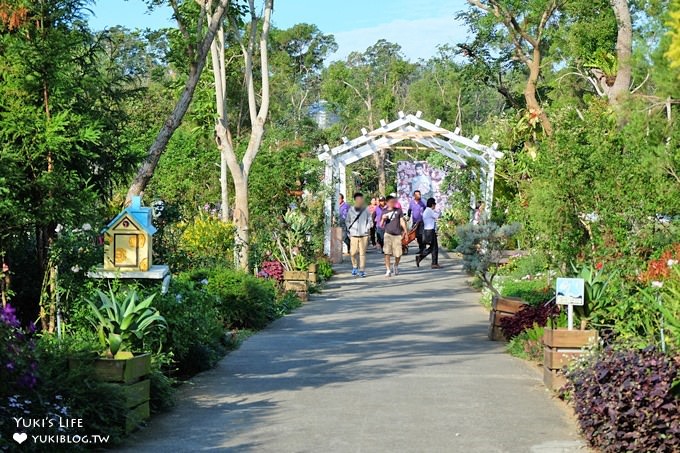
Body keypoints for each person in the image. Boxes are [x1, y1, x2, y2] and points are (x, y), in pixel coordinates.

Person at [345, 192, 372, 277]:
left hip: (364, 234)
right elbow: (347, 220)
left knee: (362, 253)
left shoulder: (366, 209)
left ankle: (362, 270)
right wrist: (350, 228)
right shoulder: (351, 210)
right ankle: (354, 266)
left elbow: (370, 220)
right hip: (354, 235)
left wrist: (367, 228)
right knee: (353, 252)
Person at [381, 195, 408, 277]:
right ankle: (388, 269)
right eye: (391, 202)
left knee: (398, 253)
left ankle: (395, 265)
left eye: (394, 202)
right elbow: (381, 224)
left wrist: (406, 232)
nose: (392, 203)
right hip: (388, 234)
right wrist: (383, 219)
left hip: (397, 234)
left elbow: (402, 221)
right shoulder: (384, 211)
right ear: (387, 202)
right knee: (387, 253)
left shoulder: (398, 211)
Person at [416, 198, 442, 269]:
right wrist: (439, 211)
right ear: (432, 204)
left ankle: (433, 263)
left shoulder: (426, 211)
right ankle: (431, 262)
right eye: (434, 204)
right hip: (430, 231)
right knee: (434, 248)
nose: (435, 206)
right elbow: (437, 216)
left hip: (427, 231)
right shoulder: (429, 211)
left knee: (433, 248)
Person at [408, 190, 426, 255]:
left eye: (419, 194)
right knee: (417, 236)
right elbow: (409, 210)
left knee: (422, 235)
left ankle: (423, 249)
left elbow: (426, 209)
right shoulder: (412, 203)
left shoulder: (423, 202)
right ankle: (420, 248)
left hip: (421, 221)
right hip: (415, 222)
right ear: (414, 196)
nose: (419, 196)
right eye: (417, 195)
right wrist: (408, 217)